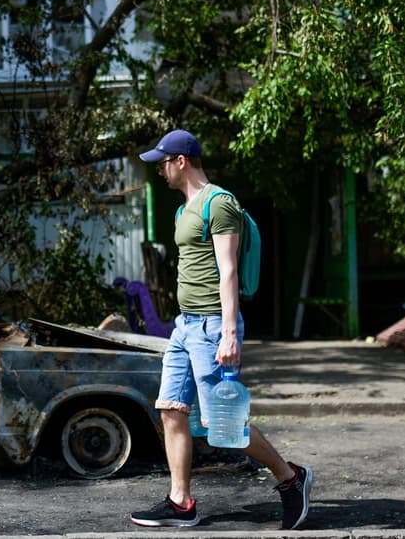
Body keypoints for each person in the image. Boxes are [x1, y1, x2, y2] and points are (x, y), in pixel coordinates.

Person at [129, 129, 313, 529]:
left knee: (222, 423)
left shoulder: (220, 203)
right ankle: (181, 502)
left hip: (212, 326)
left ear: (181, 161)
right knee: (171, 409)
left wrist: (229, 333)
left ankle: (290, 477)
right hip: (184, 326)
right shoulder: (183, 210)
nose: (159, 171)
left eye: (162, 163)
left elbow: (228, 271)